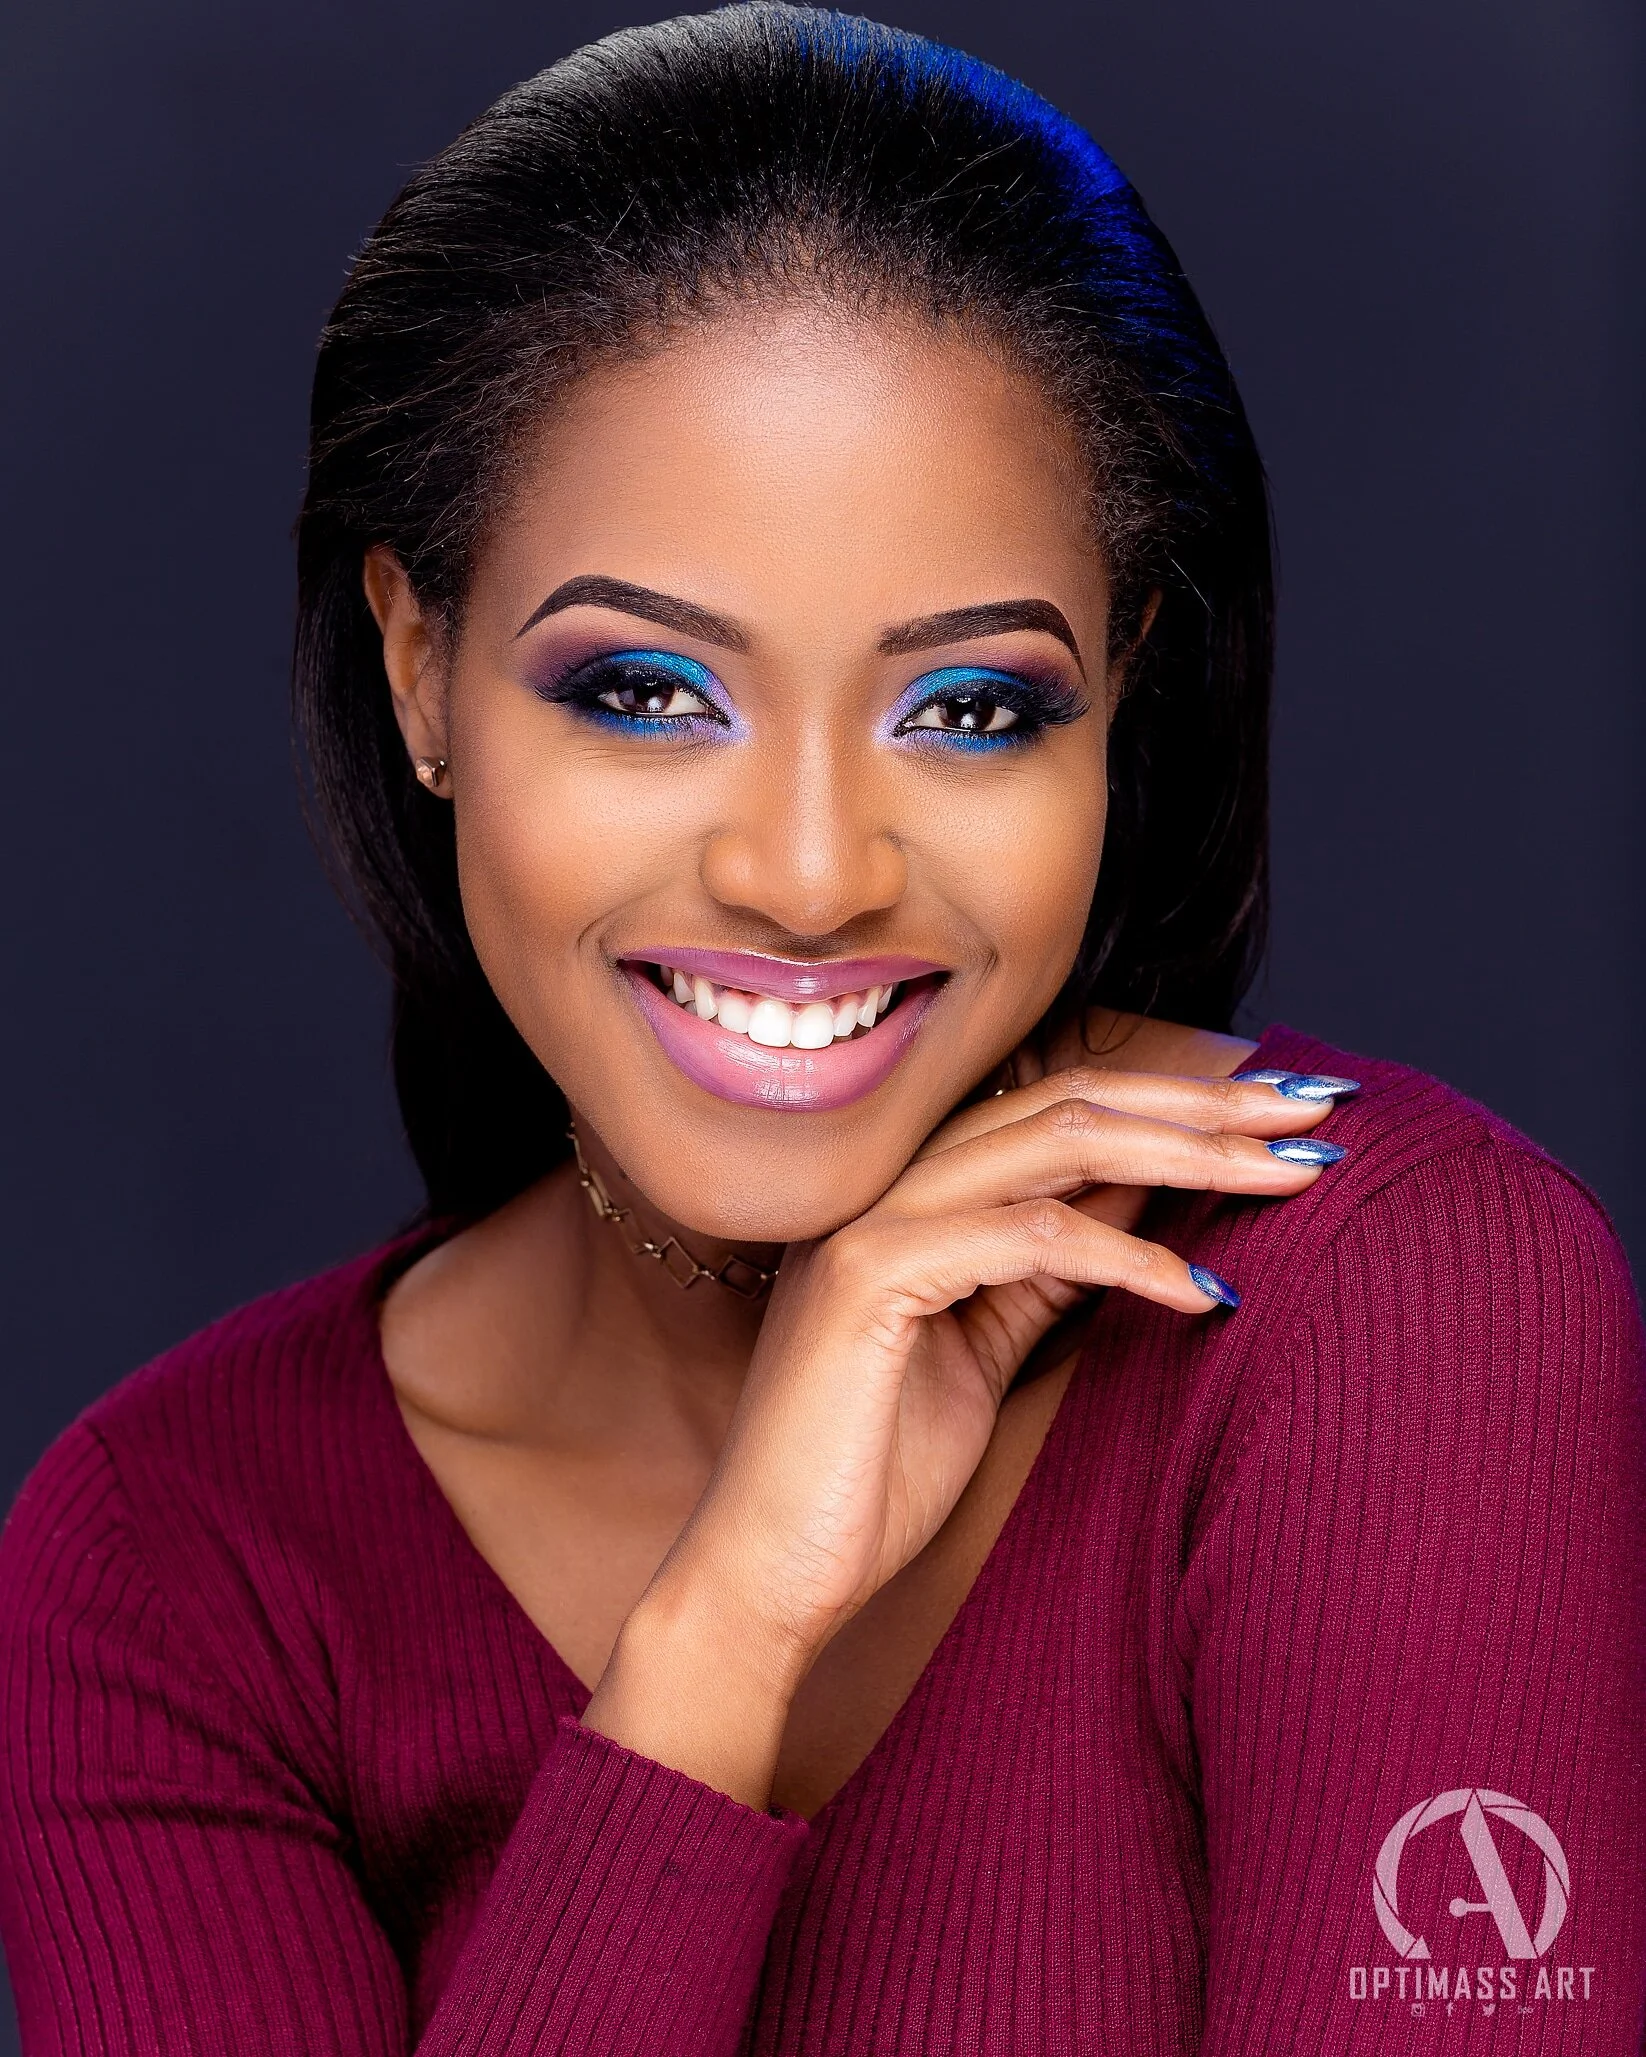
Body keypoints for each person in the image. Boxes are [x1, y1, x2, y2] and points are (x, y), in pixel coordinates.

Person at [1, 8, 1641, 2050]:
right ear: (419, 668)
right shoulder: (176, 1562)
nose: (803, 872)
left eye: (968, 707)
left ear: (1119, 694)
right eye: (642, 689)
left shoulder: (1398, 1302)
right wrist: (714, 1646)